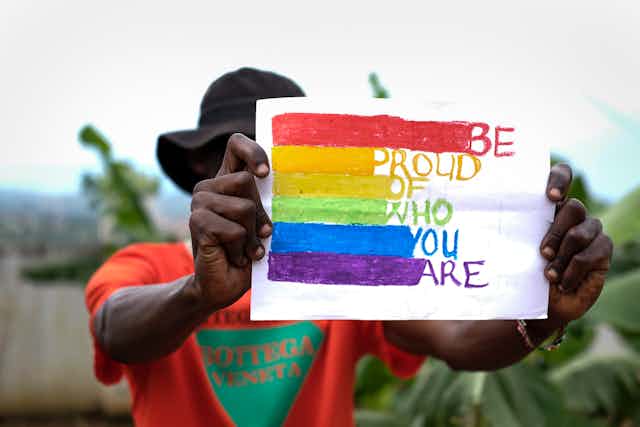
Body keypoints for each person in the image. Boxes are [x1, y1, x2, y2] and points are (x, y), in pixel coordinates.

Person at [85, 67, 613, 427]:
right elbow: (115, 334)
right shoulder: (145, 266)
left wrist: (544, 315)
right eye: (243, 155)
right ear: (204, 168)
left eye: (282, 158)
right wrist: (199, 294)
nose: (262, 176)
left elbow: (456, 340)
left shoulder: (343, 272)